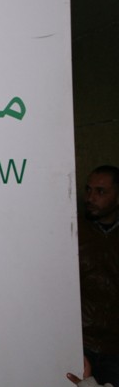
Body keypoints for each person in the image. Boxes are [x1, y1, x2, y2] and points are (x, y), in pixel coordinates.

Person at [76, 165, 119, 386]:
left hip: (114, 349)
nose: (90, 198)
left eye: (100, 191)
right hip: (79, 343)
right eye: (88, 190)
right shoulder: (73, 231)